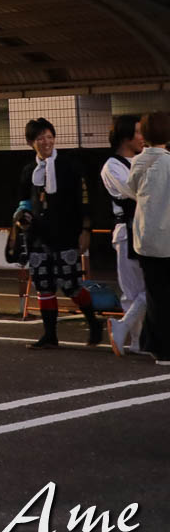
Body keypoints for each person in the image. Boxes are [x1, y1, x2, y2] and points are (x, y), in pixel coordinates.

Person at [19, 117, 103, 349]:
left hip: (66, 234)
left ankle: (93, 322)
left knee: (71, 285)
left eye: (49, 136)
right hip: (38, 236)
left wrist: (86, 230)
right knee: (43, 285)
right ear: (30, 142)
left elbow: (84, 200)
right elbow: (24, 201)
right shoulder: (29, 171)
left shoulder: (70, 166)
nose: (46, 142)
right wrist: (21, 216)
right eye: (40, 138)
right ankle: (50, 335)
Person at [125, 112, 170, 366]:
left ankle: (154, 345)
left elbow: (132, 189)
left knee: (155, 294)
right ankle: (163, 348)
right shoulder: (168, 162)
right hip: (168, 238)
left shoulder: (138, 162)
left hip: (144, 237)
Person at [102, 115, 146, 356]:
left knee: (152, 286)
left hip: (148, 230)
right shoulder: (112, 166)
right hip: (127, 231)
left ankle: (125, 329)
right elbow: (134, 191)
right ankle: (137, 340)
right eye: (138, 132)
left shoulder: (144, 159)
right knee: (133, 290)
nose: (142, 137)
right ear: (125, 136)